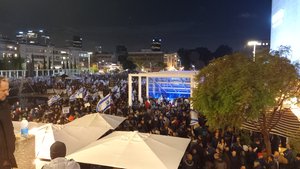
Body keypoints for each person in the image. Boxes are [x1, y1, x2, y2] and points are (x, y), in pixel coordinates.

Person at [0, 76, 18, 169]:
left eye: (8, 89)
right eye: (4, 90)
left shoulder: (5, 105)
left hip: (7, 159)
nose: (7, 93)